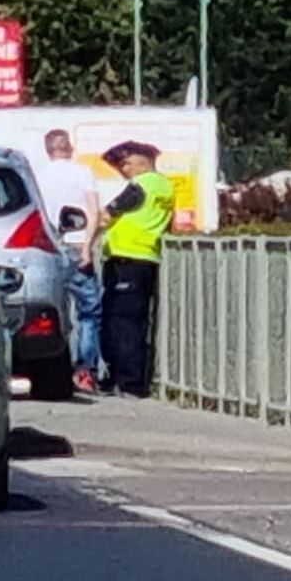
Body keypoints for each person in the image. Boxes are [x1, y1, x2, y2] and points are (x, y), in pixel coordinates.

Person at [98, 140, 175, 398]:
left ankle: (127, 381)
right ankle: (132, 379)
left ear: (143, 162)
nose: (124, 169)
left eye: (127, 163)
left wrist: (94, 227)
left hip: (125, 258)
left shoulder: (142, 185)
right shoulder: (165, 187)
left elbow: (111, 212)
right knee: (137, 322)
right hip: (147, 257)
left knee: (121, 323)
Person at [35, 129, 105, 396]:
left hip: (50, 249)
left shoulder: (39, 176)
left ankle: (54, 367)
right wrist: (88, 245)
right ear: (70, 147)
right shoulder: (83, 173)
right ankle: (85, 370)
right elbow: (93, 211)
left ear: (47, 149)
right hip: (78, 245)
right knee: (89, 311)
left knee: (54, 311)